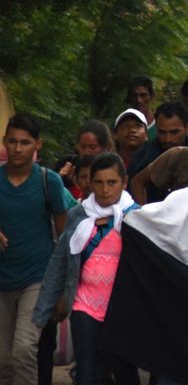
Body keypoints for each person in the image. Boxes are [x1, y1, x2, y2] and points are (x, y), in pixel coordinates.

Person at [33, 153, 140, 385]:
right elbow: (60, 261)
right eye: (99, 182)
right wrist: (44, 310)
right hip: (85, 305)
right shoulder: (78, 214)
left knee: (124, 372)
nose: (105, 190)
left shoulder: (137, 217)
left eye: (112, 182)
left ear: (124, 181)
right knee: (87, 373)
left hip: (121, 308)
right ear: (90, 183)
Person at [1, 115, 69, 385]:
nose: (18, 149)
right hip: (3, 281)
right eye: (12, 142)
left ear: (37, 145)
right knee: (3, 359)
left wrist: (62, 291)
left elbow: (65, 238)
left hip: (36, 279)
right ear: (5, 143)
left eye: (25, 142)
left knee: (24, 349)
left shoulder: (48, 181)